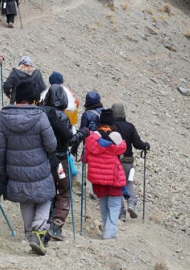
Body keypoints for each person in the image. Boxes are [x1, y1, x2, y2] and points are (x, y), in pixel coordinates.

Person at [0, 77, 57, 255]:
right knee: (45, 196)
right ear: (33, 99)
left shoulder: (4, 117)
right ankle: (38, 230)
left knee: (25, 198)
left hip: (15, 170)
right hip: (39, 168)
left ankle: (30, 236)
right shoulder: (40, 115)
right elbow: (51, 145)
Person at [82, 109, 126, 240]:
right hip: (113, 178)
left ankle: (106, 229)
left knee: (103, 204)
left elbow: (85, 158)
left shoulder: (91, 136)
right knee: (114, 205)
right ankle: (110, 232)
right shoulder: (116, 136)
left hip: (97, 179)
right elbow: (122, 151)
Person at [41, 81, 74, 240]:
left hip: (44, 159)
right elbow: (68, 140)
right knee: (64, 190)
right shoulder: (64, 117)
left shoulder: (41, 113)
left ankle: (44, 222)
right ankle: (56, 225)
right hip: (60, 159)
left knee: (48, 190)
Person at [110, 103, 150, 220]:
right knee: (129, 183)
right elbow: (137, 144)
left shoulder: (111, 127)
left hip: (115, 161)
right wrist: (145, 146)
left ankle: (121, 214)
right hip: (128, 161)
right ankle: (132, 203)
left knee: (117, 186)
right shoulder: (130, 126)